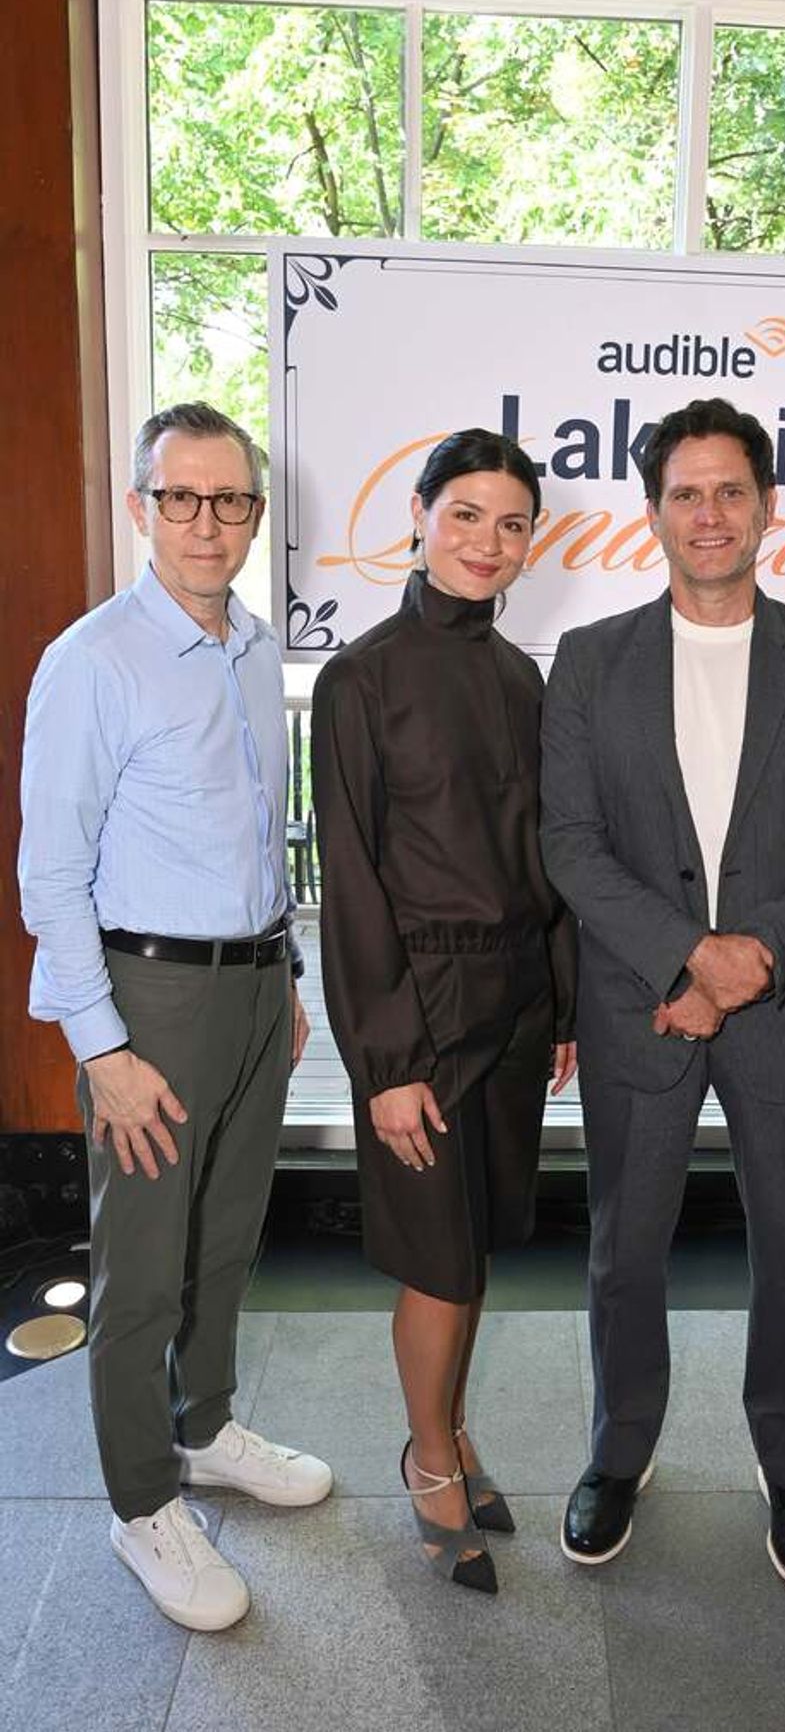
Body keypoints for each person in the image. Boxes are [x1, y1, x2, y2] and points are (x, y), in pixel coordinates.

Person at [540, 397, 785, 1590]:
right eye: (685, 493)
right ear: (653, 513)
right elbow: (572, 844)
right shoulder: (591, 660)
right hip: (643, 1005)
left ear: (766, 508)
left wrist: (754, 959)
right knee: (622, 1253)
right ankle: (617, 1451)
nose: (709, 513)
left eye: (730, 491)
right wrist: (694, 957)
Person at [19, 402, 333, 1634]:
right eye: (183, 498)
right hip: (147, 998)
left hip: (257, 985)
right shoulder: (93, 659)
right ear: (141, 506)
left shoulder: (256, 648)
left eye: (232, 500)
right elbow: (51, 875)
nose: (209, 523)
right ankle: (141, 1500)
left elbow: (262, 835)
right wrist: (104, 1048)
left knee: (227, 1235)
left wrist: (290, 977)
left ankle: (202, 1429)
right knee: (141, 1269)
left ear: (256, 513)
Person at [311, 428, 577, 1597]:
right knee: (438, 1264)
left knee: (472, 1252)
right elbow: (352, 878)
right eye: (466, 514)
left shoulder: (524, 675)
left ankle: (455, 1432)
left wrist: (560, 1002)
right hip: (418, 1015)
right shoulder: (358, 678)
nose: (488, 541)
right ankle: (428, 1461)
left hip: (517, 1007)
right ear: (419, 515)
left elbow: (548, 856)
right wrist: (385, 1061)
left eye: (512, 523)